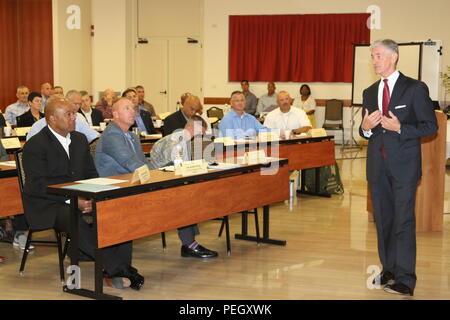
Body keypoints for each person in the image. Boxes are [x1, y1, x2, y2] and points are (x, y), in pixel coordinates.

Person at [23, 97, 143, 290]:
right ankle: (118, 269)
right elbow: (38, 185)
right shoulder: (35, 145)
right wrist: (74, 200)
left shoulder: (79, 140)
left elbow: (91, 174)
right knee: (73, 218)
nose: (74, 118)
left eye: (74, 113)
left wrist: (90, 197)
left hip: (80, 197)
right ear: (52, 119)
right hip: (48, 203)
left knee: (119, 210)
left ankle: (118, 268)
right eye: (68, 114)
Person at [359, 39, 438, 296]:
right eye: (372, 56)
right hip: (377, 167)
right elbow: (365, 129)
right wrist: (366, 129)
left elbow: (430, 127)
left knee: (403, 221)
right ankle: (389, 270)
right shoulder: (369, 92)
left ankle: (406, 279)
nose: (374, 61)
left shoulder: (414, 88)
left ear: (394, 57)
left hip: (404, 168)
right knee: (383, 221)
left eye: (378, 55)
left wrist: (401, 128)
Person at [94, 98, 218, 259]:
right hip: (117, 190)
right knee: (179, 196)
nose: (133, 111)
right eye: (127, 108)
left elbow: (144, 164)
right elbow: (131, 164)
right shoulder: (112, 135)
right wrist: (158, 176)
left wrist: (161, 172)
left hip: (134, 184)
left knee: (183, 193)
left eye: (133, 108)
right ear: (115, 114)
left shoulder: (132, 136)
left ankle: (190, 244)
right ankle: (189, 244)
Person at [27, 93, 100, 143]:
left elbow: (96, 137)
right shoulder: (37, 127)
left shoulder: (76, 124)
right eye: (67, 113)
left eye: (72, 113)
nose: (73, 117)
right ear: (53, 116)